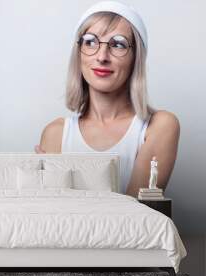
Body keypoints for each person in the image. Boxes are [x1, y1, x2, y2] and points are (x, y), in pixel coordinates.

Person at [35, 1, 180, 197]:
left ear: (135, 58)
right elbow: (55, 220)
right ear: (78, 54)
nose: (102, 56)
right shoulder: (55, 134)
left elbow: (134, 217)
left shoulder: (159, 126)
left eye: (118, 44)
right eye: (90, 41)